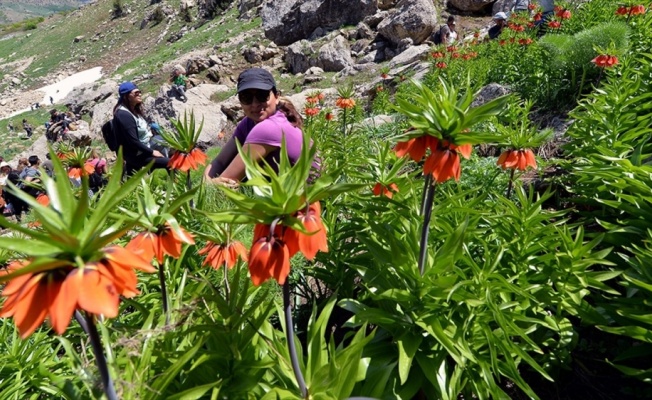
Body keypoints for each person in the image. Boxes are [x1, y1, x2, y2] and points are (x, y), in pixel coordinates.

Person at [204, 68, 309, 186]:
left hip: (307, 200)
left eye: (262, 95)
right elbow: (220, 161)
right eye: (246, 98)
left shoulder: (268, 128)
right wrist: (207, 181)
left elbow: (229, 180)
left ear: (277, 96)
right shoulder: (249, 122)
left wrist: (209, 184)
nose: (254, 104)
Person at [113, 81, 169, 175]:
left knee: (163, 140)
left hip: (144, 146)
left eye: (139, 92)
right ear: (126, 96)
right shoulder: (124, 115)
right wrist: (152, 152)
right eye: (136, 93)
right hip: (138, 154)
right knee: (170, 163)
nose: (139, 94)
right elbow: (133, 141)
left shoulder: (133, 110)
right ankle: (180, 184)